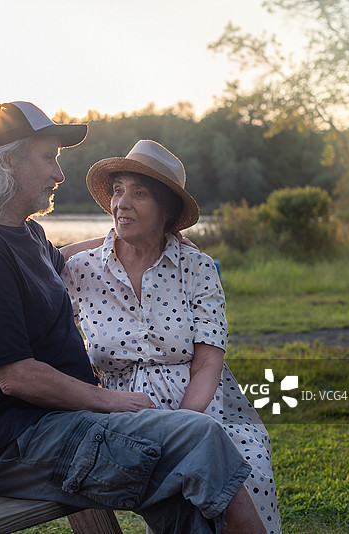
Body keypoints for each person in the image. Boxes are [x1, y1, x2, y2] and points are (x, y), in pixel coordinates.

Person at [0, 101, 265, 534]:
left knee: (186, 496)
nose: (59, 174)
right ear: (9, 163)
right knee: (198, 439)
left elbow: (61, 259)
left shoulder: (25, 235)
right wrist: (110, 400)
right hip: (17, 444)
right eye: (49, 158)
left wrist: (144, 237)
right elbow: (16, 377)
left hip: (61, 424)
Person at [60, 140, 280, 534]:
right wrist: (104, 240)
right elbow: (33, 262)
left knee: (246, 478)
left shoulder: (197, 267)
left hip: (204, 408)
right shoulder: (83, 269)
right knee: (190, 494)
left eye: (139, 193)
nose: (122, 203)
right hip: (122, 413)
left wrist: (184, 424)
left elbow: (209, 361)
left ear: (167, 211)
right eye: (118, 190)